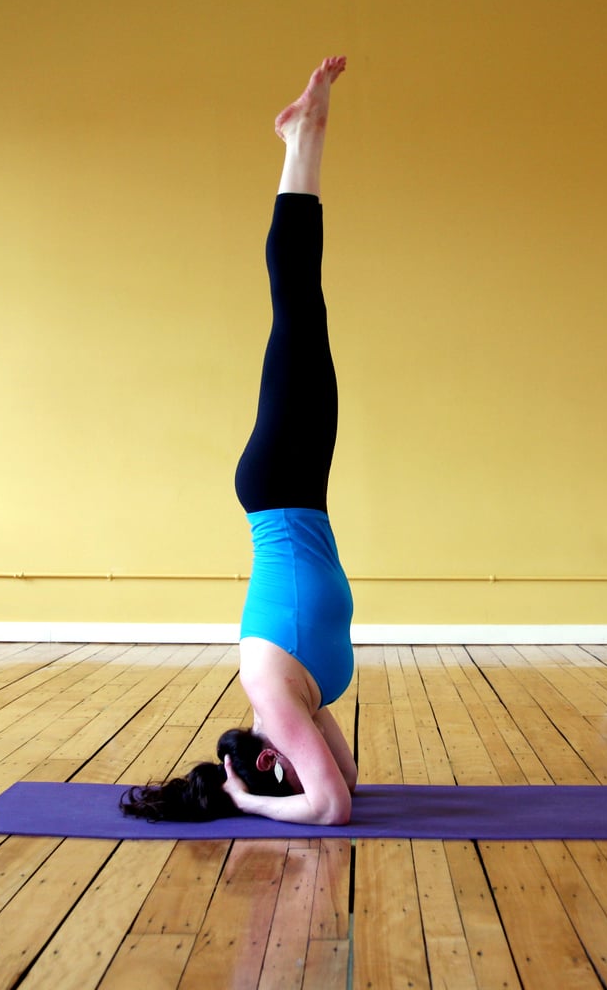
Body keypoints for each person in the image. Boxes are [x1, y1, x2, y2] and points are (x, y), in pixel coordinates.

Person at [121, 57, 356, 826]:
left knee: (297, 305)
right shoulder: (291, 708)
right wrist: (260, 789)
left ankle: (303, 140)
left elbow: (327, 811)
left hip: (282, 489)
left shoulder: (269, 696)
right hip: (295, 491)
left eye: (270, 773)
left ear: (261, 762)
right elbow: (346, 786)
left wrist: (247, 802)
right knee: (303, 310)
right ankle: (301, 142)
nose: (297, 763)